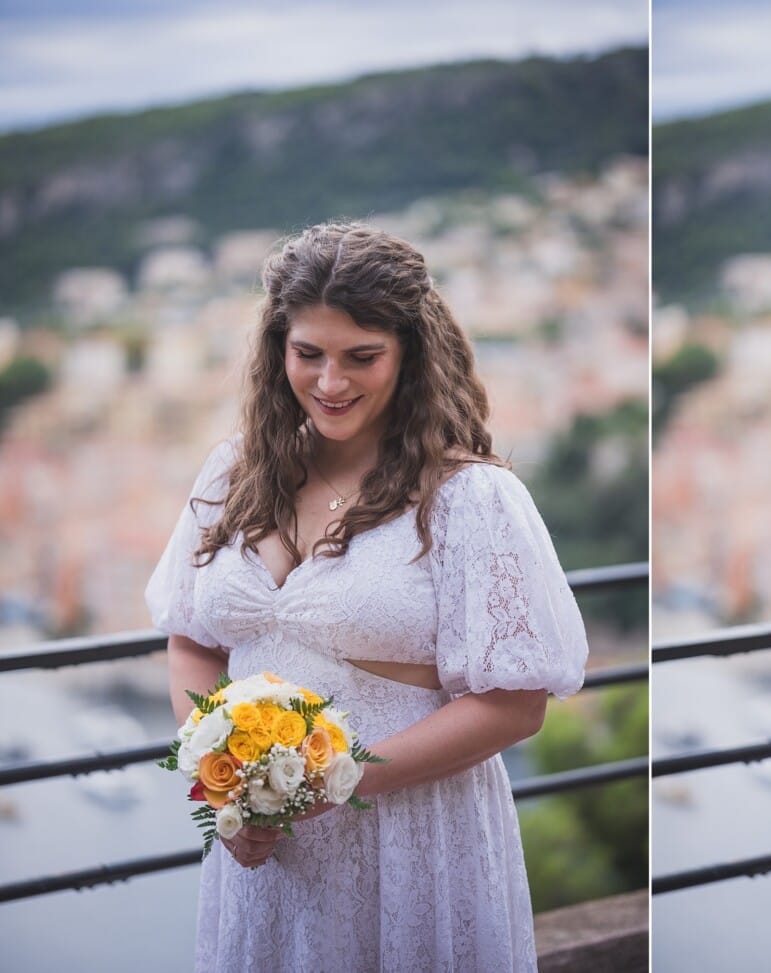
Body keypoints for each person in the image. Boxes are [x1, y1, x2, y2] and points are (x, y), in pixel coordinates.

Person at [146, 221, 588, 972]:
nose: (330, 382)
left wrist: (330, 780)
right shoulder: (229, 475)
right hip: (262, 851)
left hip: (412, 842)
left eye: (362, 357)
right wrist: (225, 782)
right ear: (276, 350)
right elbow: (191, 639)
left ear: (412, 355)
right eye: (308, 353)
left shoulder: (470, 497)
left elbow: (518, 702)